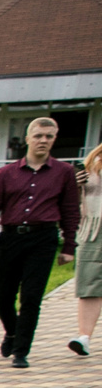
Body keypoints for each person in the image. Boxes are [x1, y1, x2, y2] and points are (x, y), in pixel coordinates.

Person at [0, 115, 82, 367]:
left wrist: (68, 245)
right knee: (2, 296)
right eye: (38, 136)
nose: (43, 141)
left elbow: (70, 211)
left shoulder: (64, 173)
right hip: (11, 238)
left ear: (54, 139)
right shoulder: (6, 174)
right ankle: (12, 333)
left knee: (31, 297)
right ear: (27, 139)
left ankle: (21, 351)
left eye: (48, 136)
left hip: (43, 239)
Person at [75, 143, 102, 356]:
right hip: (94, 229)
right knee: (90, 282)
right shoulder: (92, 163)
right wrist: (75, 186)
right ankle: (84, 337)